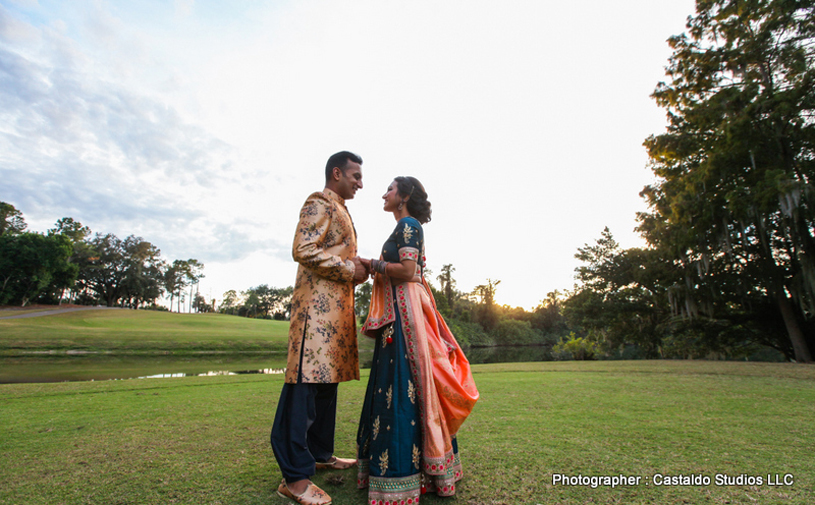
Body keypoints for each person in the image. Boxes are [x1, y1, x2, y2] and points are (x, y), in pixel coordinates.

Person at [356, 176, 479, 504]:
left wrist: (372, 264)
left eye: (390, 189)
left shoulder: (408, 224)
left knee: (407, 380)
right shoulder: (402, 227)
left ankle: (407, 474)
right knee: (401, 381)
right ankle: (416, 469)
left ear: (404, 195)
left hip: (406, 308)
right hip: (399, 307)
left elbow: (409, 270)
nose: (384, 194)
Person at [272, 151, 370, 505]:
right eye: (356, 176)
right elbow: (302, 248)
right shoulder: (318, 202)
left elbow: (338, 253)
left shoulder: (342, 208)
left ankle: (319, 453)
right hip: (314, 315)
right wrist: (348, 270)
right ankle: (294, 480)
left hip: (336, 317)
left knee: (327, 386)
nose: (361, 183)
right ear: (337, 173)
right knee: (304, 389)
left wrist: (358, 266)